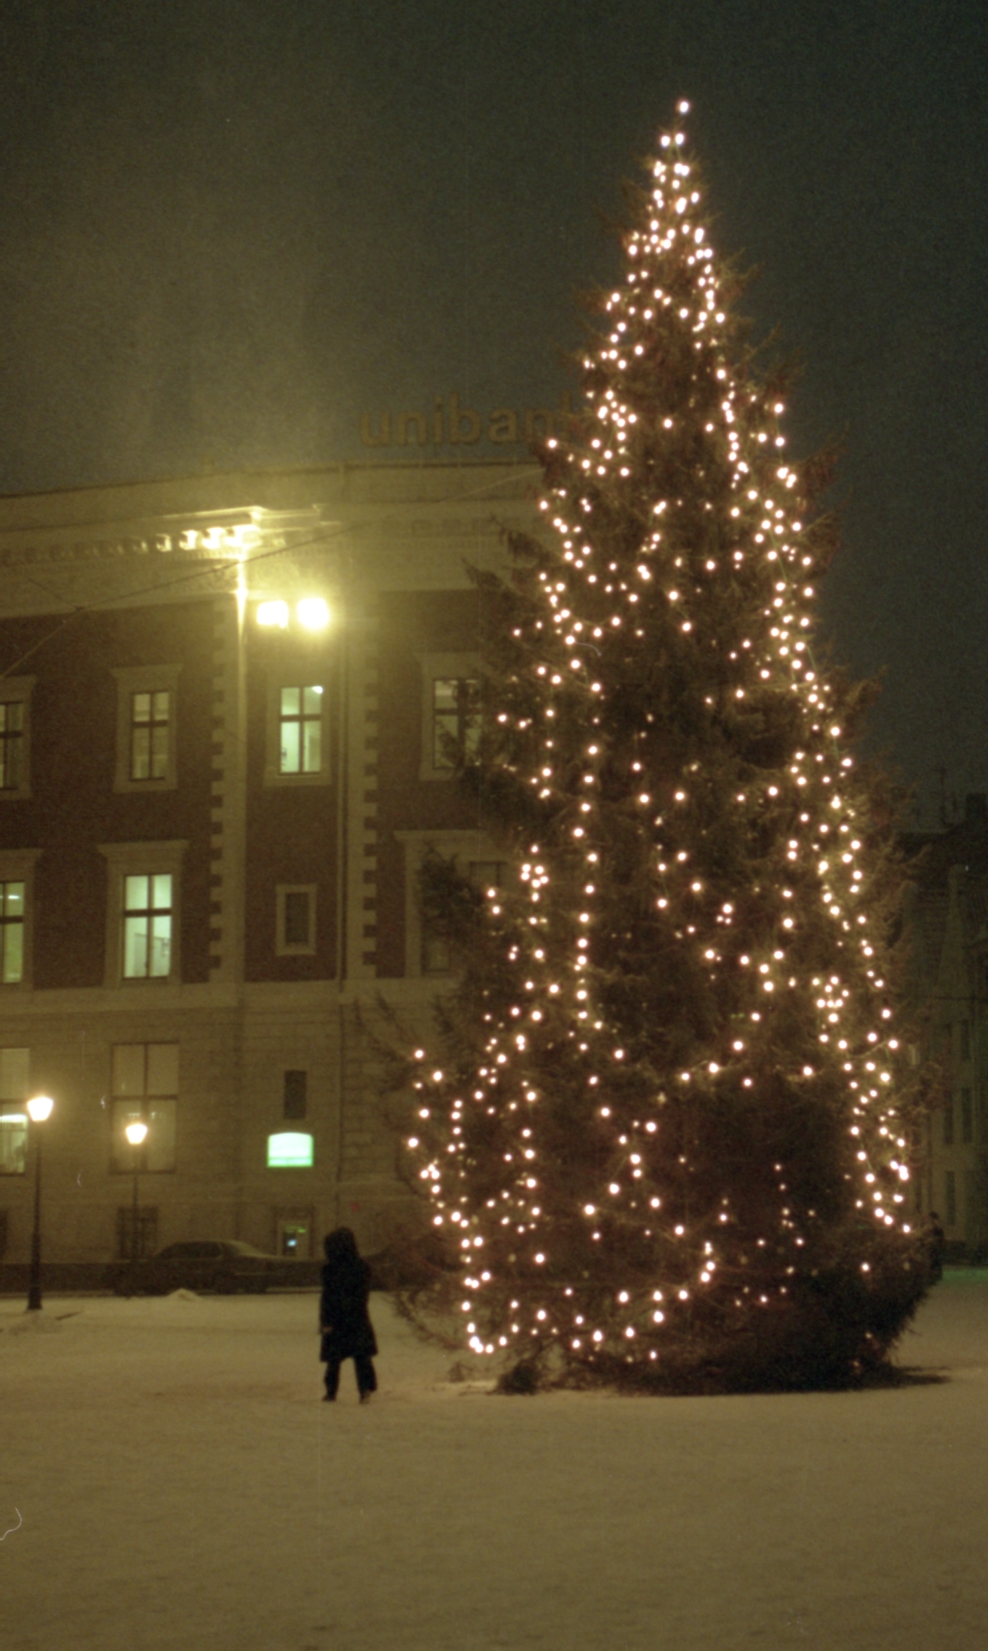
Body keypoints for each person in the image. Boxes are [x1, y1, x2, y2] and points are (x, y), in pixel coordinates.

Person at [319, 1227, 378, 1402]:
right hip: (357, 1318)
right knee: (361, 1357)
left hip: (335, 1318)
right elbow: (362, 1295)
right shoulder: (361, 1267)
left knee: (334, 1359)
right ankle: (365, 1389)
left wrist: (325, 1320)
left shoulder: (330, 1269)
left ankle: (331, 1392)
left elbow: (327, 1297)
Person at [925, 1211, 946, 1284]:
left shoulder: (936, 1227)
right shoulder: (929, 1226)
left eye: (930, 1218)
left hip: (935, 1246)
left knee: (935, 1261)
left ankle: (935, 1276)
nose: (929, 1220)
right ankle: (933, 1276)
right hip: (931, 1246)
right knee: (933, 1261)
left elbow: (940, 1237)